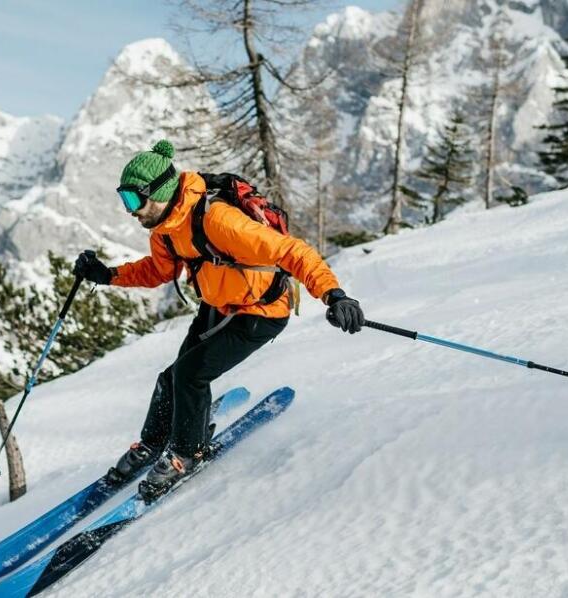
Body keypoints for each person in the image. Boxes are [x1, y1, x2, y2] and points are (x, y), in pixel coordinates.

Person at [72, 139, 364, 497]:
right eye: (125, 200)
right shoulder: (165, 228)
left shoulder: (218, 219)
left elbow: (293, 251)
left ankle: (186, 454)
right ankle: (152, 444)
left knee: (190, 375)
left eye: (134, 200)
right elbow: (159, 271)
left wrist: (334, 295)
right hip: (218, 306)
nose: (131, 211)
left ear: (159, 192)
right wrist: (108, 275)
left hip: (260, 311)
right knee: (171, 378)